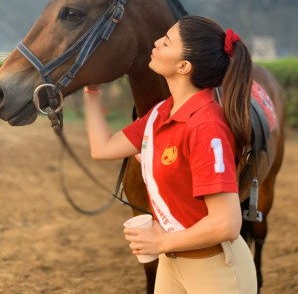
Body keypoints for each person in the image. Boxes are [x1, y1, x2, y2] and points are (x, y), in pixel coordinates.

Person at [83, 15, 257, 293]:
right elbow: (102, 147)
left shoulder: (206, 126)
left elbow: (227, 223)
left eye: (165, 42)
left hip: (215, 270)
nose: (155, 43)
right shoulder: (162, 112)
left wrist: (160, 242)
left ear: (184, 66)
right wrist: (91, 89)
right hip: (172, 264)